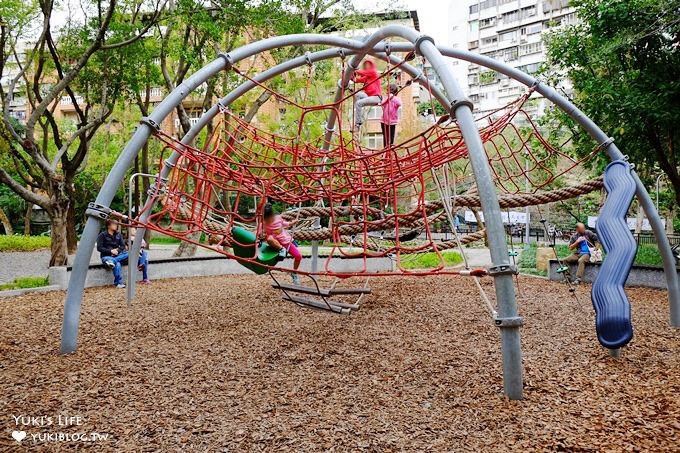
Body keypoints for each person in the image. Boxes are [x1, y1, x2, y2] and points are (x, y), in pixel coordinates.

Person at [262, 203, 301, 284]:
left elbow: (284, 223)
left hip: (286, 242)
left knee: (298, 256)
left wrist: (292, 223)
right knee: (269, 238)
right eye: (267, 219)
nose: (270, 220)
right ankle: (281, 249)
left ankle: (294, 273)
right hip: (275, 244)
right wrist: (260, 235)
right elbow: (260, 232)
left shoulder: (278, 217)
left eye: (270, 218)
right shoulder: (263, 223)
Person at [351, 59, 382, 132]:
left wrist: (353, 70)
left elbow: (362, 72)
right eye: (365, 65)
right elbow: (356, 80)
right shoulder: (366, 78)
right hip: (369, 97)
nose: (367, 67)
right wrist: (350, 76)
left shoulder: (373, 72)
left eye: (368, 65)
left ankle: (358, 124)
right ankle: (360, 115)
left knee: (358, 103)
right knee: (357, 94)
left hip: (376, 97)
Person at [96, 219, 129, 288]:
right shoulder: (102, 235)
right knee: (118, 264)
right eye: (114, 224)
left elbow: (122, 246)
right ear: (108, 226)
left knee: (129, 253)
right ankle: (118, 283)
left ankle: (112, 261)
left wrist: (117, 251)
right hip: (106, 257)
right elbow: (99, 248)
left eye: (116, 224)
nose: (116, 226)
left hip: (117, 255)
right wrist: (111, 251)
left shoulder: (118, 235)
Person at [380, 83, 402, 147]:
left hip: (392, 122)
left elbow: (399, 103)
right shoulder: (385, 98)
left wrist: (392, 97)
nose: (387, 91)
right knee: (385, 138)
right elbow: (382, 104)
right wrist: (388, 97)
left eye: (388, 90)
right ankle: (385, 150)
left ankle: (389, 150)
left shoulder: (396, 99)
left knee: (391, 138)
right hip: (384, 121)